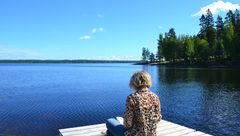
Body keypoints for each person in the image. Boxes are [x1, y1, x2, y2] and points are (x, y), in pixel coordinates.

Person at [106, 71, 162, 136]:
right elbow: (158, 118)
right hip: (152, 134)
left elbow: (128, 124)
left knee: (109, 121)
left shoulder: (132, 97)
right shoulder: (155, 97)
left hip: (134, 134)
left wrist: (125, 122)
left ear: (134, 82)